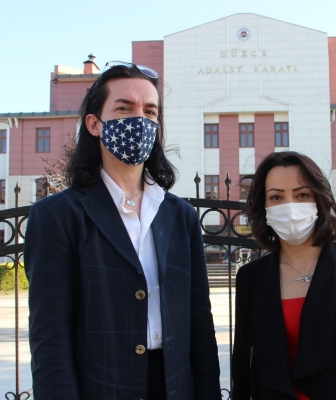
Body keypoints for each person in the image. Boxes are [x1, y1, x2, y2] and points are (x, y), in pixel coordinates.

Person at [24, 61, 221, 400]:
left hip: (174, 386)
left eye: (150, 112)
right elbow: (50, 336)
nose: (139, 120)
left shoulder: (181, 216)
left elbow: (199, 326)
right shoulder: (57, 216)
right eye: (124, 108)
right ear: (94, 124)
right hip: (101, 387)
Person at [231, 151, 336, 400]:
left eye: (302, 195)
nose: (290, 206)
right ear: (264, 207)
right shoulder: (250, 278)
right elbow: (242, 365)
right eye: (276, 197)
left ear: (319, 199)